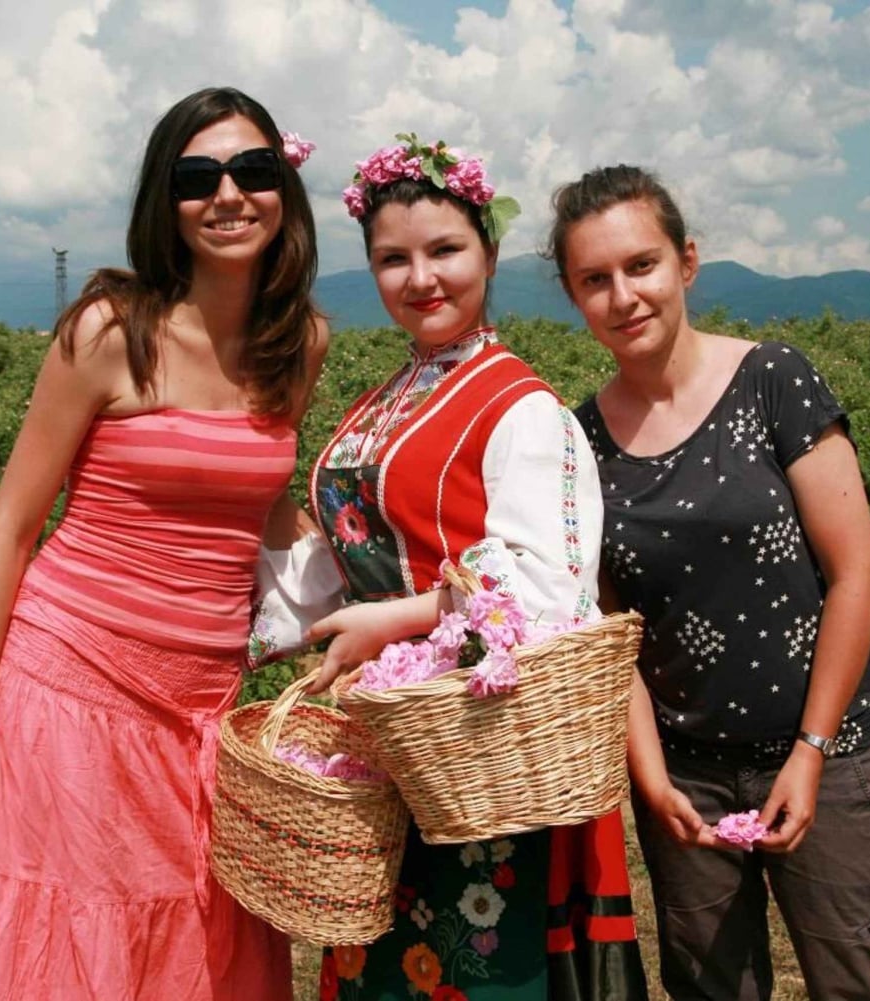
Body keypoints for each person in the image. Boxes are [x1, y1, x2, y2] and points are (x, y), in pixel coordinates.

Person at [0, 87, 326, 1000]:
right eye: (199, 177)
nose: (228, 195)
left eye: (253, 170)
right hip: (74, 690)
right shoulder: (112, 332)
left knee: (197, 948)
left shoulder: (295, 345)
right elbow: (11, 525)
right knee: (84, 951)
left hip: (203, 711)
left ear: (284, 191)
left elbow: (266, 509)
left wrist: (381, 604)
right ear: (168, 199)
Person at [250, 136, 647, 1001]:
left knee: (474, 965)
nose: (420, 277)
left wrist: (394, 621)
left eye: (445, 250)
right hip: (395, 743)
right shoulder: (394, 393)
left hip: (481, 746)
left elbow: (544, 596)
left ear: (489, 253)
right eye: (393, 259)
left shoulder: (522, 407)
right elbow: (345, 565)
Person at [546, 164, 870, 1000]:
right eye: (595, 280)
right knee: (712, 984)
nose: (623, 295)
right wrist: (651, 782)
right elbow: (613, 632)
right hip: (686, 779)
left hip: (830, 758)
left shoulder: (773, 380)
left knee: (861, 978)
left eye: (641, 265)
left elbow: (856, 573)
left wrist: (811, 752)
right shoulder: (581, 443)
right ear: (575, 298)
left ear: (686, 262)